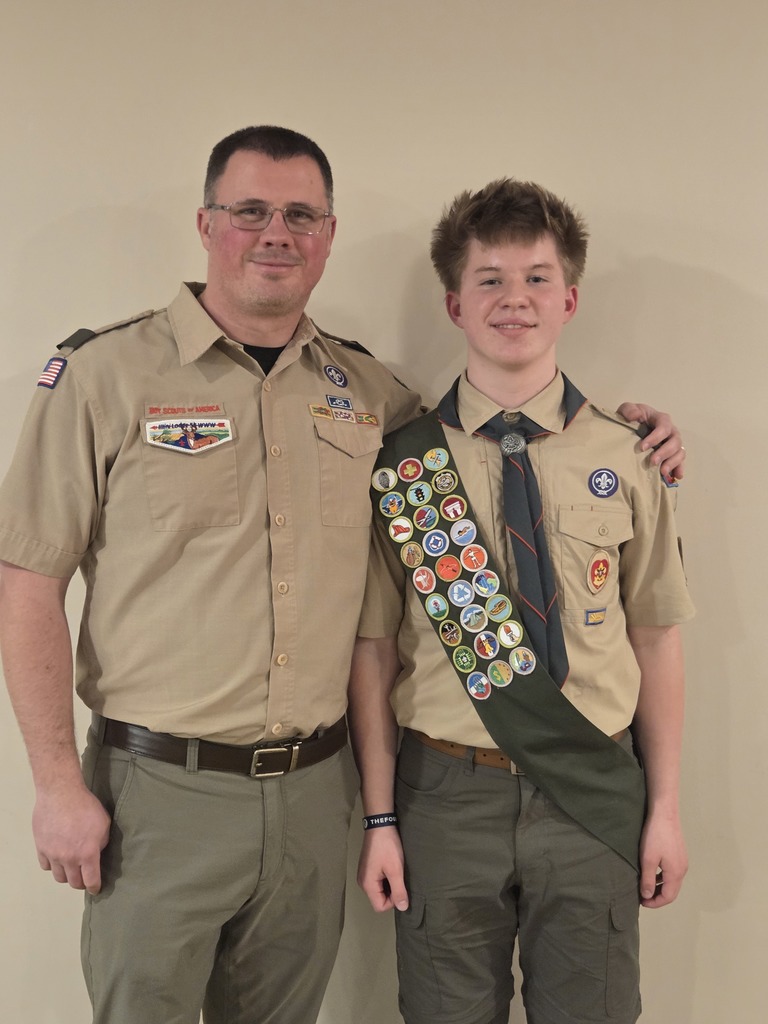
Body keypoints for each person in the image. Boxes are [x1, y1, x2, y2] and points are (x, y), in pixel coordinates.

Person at [0, 124, 684, 1024]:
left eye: (300, 214)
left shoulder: (370, 397)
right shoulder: (104, 375)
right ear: (206, 224)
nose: (274, 232)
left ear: (328, 235)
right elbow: (27, 582)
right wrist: (54, 784)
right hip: (162, 794)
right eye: (250, 211)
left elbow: (502, 424)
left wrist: (640, 435)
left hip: (313, 795)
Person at [349, 178, 694, 1024]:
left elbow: (655, 639)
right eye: (490, 279)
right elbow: (374, 652)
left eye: (537, 278)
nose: (515, 300)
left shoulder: (632, 454)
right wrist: (382, 816)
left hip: (590, 787)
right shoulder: (405, 463)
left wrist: (666, 810)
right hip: (444, 798)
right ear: (454, 303)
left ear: (570, 298)